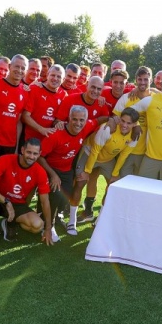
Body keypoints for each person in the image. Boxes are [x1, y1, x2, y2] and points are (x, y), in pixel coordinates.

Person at [0, 139, 54, 247]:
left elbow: (45, 202)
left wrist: (48, 228)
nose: (31, 156)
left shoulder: (40, 172)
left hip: (18, 204)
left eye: (35, 153)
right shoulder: (5, 159)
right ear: (22, 150)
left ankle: (9, 223)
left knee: (37, 225)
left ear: (39, 154)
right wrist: (6, 201)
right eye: (29, 152)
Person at [71, 109, 139, 229]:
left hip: (107, 160)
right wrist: (87, 172)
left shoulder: (135, 135)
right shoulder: (107, 129)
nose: (124, 125)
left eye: (129, 123)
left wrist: (115, 174)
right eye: (122, 121)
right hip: (89, 153)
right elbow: (95, 151)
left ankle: (100, 220)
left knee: (113, 186)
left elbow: (123, 155)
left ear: (134, 124)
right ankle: (71, 221)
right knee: (80, 182)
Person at [56, 75, 112, 220]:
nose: (95, 91)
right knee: (67, 178)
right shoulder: (71, 99)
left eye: (99, 89)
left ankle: (69, 208)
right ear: (87, 85)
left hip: (87, 148)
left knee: (80, 179)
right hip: (68, 146)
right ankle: (59, 208)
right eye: (93, 87)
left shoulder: (101, 104)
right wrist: (60, 125)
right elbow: (58, 121)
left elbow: (105, 119)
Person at [37, 106, 99, 237]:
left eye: (81, 120)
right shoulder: (55, 134)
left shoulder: (87, 126)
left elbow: (99, 120)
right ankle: (49, 225)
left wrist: (112, 120)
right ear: (69, 118)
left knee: (67, 197)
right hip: (50, 169)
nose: (78, 123)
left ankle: (51, 214)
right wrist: (53, 175)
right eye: (74, 119)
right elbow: (40, 156)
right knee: (55, 194)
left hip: (66, 170)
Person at [113, 66, 153, 177]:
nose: (142, 82)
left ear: (151, 81)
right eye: (140, 79)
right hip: (125, 150)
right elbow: (115, 119)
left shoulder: (156, 99)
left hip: (146, 153)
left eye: (146, 79)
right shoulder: (126, 98)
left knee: (141, 185)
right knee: (122, 183)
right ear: (136, 80)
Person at [21, 64, 66, 141]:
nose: (55, 78)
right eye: (53, 75)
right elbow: (25, 116)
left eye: (59, 77)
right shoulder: (35, 89)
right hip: (30, 140)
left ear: (63, 79)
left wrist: (59, 123)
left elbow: (57, 120)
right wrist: (41, 129)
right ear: (47, 75)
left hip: (48, 141)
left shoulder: (64, 95)